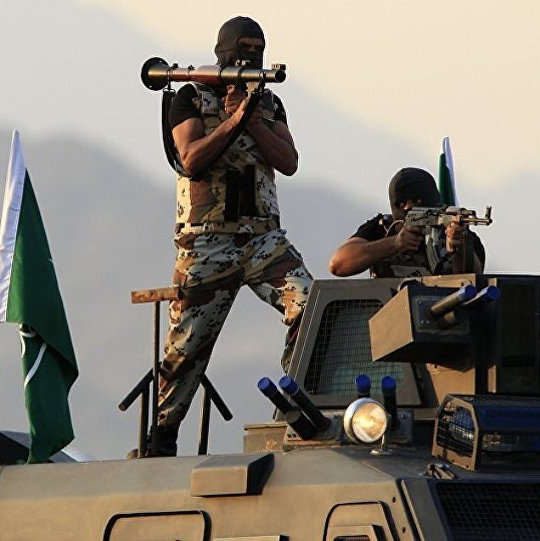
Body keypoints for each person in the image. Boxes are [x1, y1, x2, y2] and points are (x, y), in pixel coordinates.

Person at [138, 16, 313, 457]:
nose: (252, 55)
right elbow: (191, 159)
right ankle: (162, 436)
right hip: (207, 241)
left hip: (263, 241)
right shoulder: (190, 96)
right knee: (187, 348)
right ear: (225, 50)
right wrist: (235, 118)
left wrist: (251, 118)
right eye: (244, 47)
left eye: (258, 47)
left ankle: (295, 404)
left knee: (310, 307)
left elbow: (289, 161)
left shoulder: (269, 103)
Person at [328, 167, 485, 278]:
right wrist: (395, 243)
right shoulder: (383, 228)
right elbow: (338, 265)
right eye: (401, 203)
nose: (408, 207)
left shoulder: (458, 232)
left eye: (418, 200)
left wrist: (459, 245)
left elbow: (471, 281)